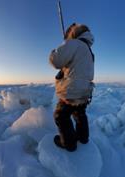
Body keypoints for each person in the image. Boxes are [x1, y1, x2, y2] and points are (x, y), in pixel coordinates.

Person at [49, 23, 95, 152]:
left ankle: (69, 144)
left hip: (72, 90)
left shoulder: (74, 44)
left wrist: (60, 48)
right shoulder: (89, 51)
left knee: (60, 115)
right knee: (79, 113)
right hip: (85, 90)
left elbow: (56, 61)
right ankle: (83, 138)